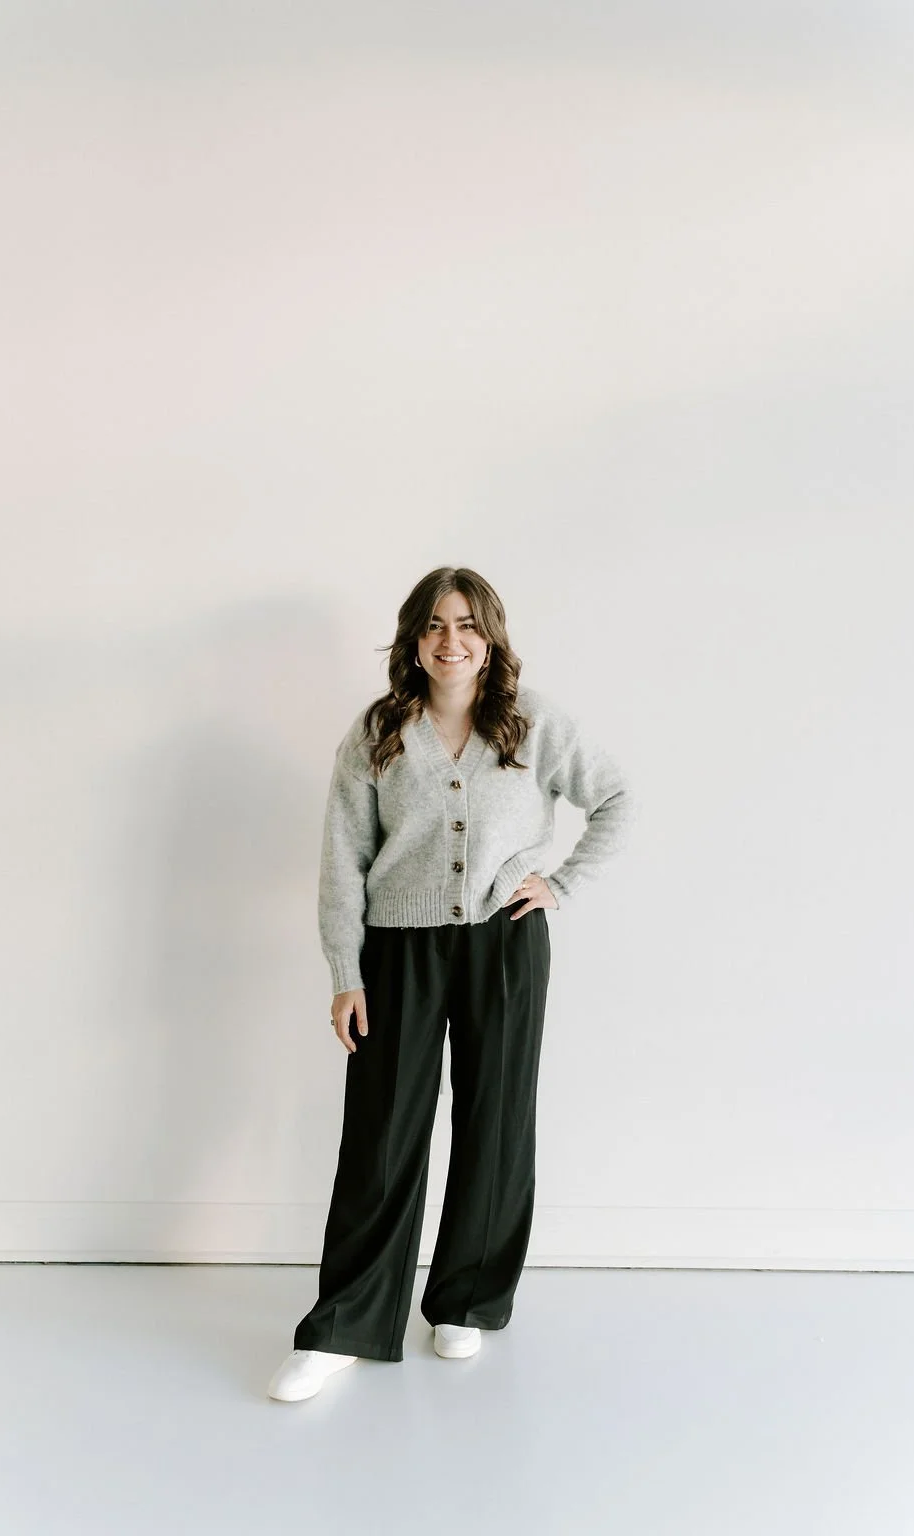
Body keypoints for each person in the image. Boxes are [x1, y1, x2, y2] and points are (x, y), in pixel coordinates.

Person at [267, 565, 632, 1401]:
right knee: (383, 1132)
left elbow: (615, 798)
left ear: (490, 637)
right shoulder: (377, 732)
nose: (451, 640)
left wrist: (560, 884)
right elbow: (342, 861)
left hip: (505, 941)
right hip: (399, 950)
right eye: (434, 625)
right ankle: (344, 1324)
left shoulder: (533, 725)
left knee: (497, 1119)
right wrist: (345, 970)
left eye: (467, 624)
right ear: (413, 639)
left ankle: (465, 1299)